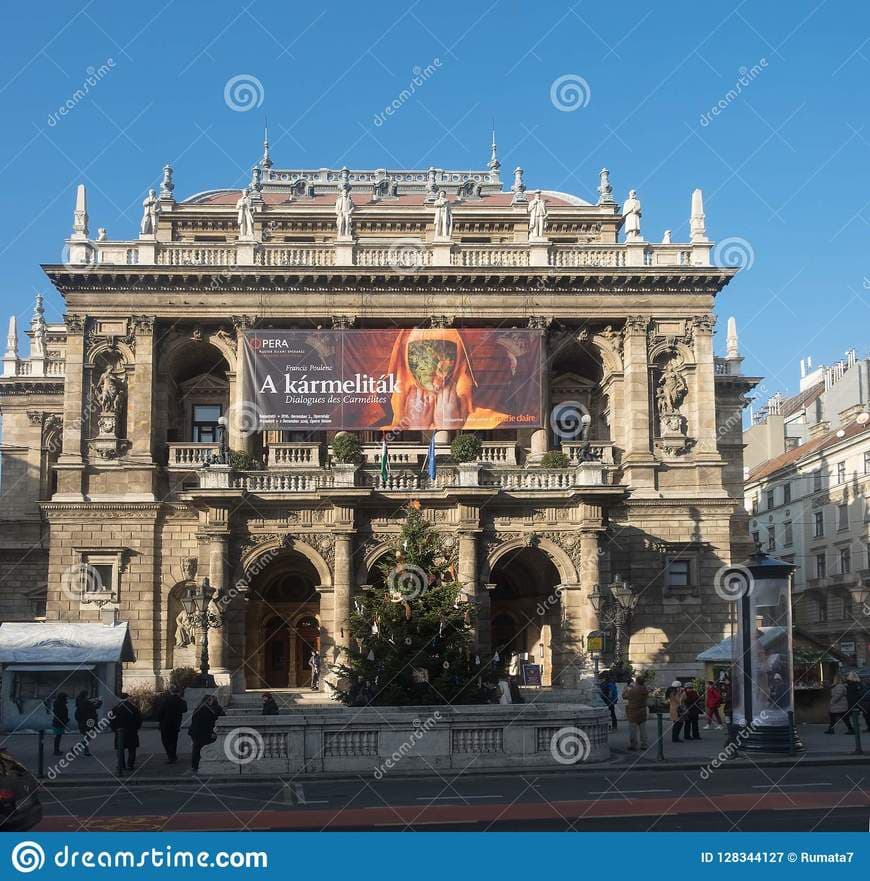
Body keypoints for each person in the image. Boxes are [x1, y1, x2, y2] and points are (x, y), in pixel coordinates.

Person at [189, 695, 225, 773]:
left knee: (196, 749)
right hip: (202, 733)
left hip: (195, 732)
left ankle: (195, 766)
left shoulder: (199, 708)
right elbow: (207, 724)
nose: (212, 702)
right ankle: (202, 765)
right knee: (202, 748)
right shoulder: (207, 710)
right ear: (209, 701)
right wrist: (211, 733)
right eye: (211, 700)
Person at [109, 693, 142, 774]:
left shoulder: (115, 709)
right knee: (132, 749)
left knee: (120, 749)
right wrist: (136, 728)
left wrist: (115, 729)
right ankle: (130, 764)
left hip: (119, 732)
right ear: (128, 698)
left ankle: (121, 764)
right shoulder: (133, 708)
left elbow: (111, 720)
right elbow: (139, 719)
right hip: (131, 732)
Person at [157, 686, 188, 764]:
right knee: (174, 740)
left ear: (170, 691)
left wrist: (159, 720)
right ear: (178, 692)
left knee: (165, 741)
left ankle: (170, 755)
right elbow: (184, 709)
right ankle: (173, 755)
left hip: (165, 723)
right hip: (176, 723)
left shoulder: (165, 700)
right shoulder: (181, 701)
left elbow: (160, 712)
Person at [622, 677, 649, 751]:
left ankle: (633, 745)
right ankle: (644, 744)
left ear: (637, 682)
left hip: (633, 712)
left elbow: (624, 696)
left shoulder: (632, 690)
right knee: (643, 729)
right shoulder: (645, 689)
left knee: (633, 730)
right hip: (642, 711)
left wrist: (627, 688)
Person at [74, 691, 100, 756]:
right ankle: (81, 749)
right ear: (85, 695)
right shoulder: (85, 703)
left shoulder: (80, 702)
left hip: (84, 722)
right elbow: (94, 707)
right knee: (88, 736)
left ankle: (84, 749)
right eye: (87, 695)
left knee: (87, 736)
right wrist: (99, 702)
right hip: (88, 722)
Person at [51, 692, 69, 756]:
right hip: (58, 722)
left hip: (59, 722)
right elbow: (61, 714)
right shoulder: (60, 704)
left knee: (58, 737)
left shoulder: (59, 703)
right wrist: (65, 720)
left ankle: (57, 750)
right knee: (57, 737)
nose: (67, 699)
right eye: (66, 697)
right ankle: (56, 751)